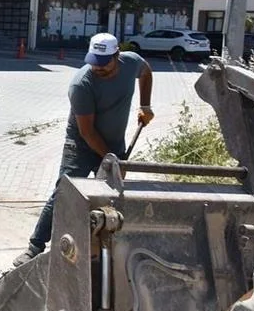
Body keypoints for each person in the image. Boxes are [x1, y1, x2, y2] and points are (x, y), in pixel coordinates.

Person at [13, 33, 153, 267]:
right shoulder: (82, 84)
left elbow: (146, 71)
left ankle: (106, 246)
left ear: (117, 56)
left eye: (103, 62)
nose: (97, 67)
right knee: (65, 191)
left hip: (113, 144)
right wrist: (112, 160)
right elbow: (87, 133)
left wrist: (145, 105)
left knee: (112, 194)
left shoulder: (131, 62)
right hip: (80, 145)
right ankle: (35, 246)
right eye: (94, 61)